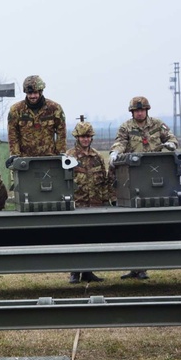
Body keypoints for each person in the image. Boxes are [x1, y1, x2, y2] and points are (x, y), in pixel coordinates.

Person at [109, 96, 179, 279]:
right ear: (132, 112)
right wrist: (115, 152)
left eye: (142, 110)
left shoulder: (157, 124)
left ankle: (148, 264)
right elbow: (120, 142)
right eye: (136, 111)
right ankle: (136, 267)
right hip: (135, 176)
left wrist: (170, 144)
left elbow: (171, 138)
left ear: (147, 110)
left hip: (156, 175)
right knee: (134, 224)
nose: (139, 113)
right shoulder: (126, 127)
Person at [67, 121, 114, 283]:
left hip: (95, 205)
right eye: (82, 137)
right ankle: (75, 272)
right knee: (76, 239)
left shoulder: (98, 157)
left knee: (91, 239)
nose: (85, 140)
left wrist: (106, 200)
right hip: (77, 205)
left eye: (88, 136)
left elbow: (105, 181)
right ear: (77, 138)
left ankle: (88, 272)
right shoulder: (69, 157)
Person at [7, 75, 67, 157]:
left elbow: (61, 131)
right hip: (25, 159)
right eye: (30, 93)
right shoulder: (16, 110)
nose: (32, 96)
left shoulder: (54, 108)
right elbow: (12, 133)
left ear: (41, 92)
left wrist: (61, 152)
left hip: (49, 158)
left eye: (35, 93)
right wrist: (14, 154)